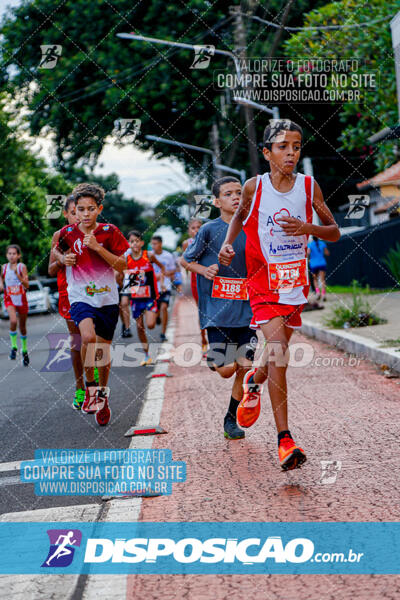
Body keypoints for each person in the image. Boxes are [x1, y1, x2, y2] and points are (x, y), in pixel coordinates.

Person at [219, 119, 340, 470]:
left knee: (273, 355)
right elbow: (239, 218)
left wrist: (308, 228)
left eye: (297, 146)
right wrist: (228, 246)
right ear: (266, 151)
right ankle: (285, 440)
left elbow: (333, 232)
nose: (291, 153)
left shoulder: (308, 186)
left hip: (294, 285)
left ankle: (254, 380)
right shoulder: (254, 187)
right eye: (283, 146)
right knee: (280, 354)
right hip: (262, 282)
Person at [181, 176, 256, 440]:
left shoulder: (252, 226)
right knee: (226, 371)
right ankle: (216, 360)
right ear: (216, 201)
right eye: (228, 194)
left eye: (239, 193)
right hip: (217, 311)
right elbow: (186, 259)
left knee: (246, 366)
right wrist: (205, 270)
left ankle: (231, 418)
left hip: (249, 309)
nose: (235, 197)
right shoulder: (209, 230)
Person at [52, 183, 129, 426]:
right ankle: (90, 386)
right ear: (75, 210)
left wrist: (98, 248)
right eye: (81, 209)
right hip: (80, 296)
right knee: (86, 338)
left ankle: (102, 396)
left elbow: (123, 265)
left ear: (99, 209)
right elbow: (56, 253)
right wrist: (64, 258)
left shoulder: (110, 232)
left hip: (107, 298)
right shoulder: (67, 233)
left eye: (90, 209)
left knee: (103, 351)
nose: (85, 214)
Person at [48, 195, 100, 410]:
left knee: (94, 337)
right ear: (67, 214)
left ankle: (95, 380)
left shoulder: (95, 233)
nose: (78, 217)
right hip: (68, 292)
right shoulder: (60, 235)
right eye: (73, 213)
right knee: (78, 340)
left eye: (81, 212)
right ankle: (81, 389)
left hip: (94, 290)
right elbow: (50, 269)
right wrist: (62, 259)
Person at [123, 230, 165, 366]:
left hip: (150, 297)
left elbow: (162, 267)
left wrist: (162, 282)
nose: (134, 243)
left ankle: (156, 314)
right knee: (140, 327)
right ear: (128, 244)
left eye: (137, 241)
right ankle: (146, 354)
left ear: (142, 243)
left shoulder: (149, 256)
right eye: (131, 241)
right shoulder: (127, 259)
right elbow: (121, 275)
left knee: (151, 325)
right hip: (136, 297)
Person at [0, 245, 30, 365]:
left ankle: (24, 350)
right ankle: (14, 347)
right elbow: (1, 278)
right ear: (6, 255)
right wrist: (1, 284)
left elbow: (27, 285)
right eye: (9, 254)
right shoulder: (4, 267)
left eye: (14, 254)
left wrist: (18, 276)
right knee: (13, 321)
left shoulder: (22, 267)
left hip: (21, 299)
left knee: (22, 327)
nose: (11, 256)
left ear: (19, 256)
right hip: (9, 298)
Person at [182, 218, 207, 353]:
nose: (196, 230)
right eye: (193, 228)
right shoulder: (187, 244)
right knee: (201, 310)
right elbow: (186, 264)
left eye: (199, 227)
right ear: (189, 230)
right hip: (196, 279)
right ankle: (204, 340)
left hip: (210, 278)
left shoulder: (210, 240)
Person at [151, 235, 176, 342]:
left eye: (155, 244)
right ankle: (157, 317)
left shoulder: (168, 256)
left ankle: (163, 333)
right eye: (152, 244)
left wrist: (166, 273)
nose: (153, 246)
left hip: (165, 286)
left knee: (164, 308)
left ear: (160, 244)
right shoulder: (150, 256)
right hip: (153, 288)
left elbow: (173, 270)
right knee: (156, 310)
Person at [307, 236, 329, 301]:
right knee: (322, 279)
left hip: (313, 264)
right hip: (322, 263)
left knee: (315, 279)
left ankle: (318, 293)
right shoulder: (322, 243)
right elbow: (327, 253)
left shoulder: (310, 244)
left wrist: (308, 259)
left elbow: (308, 253)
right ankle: (323, 294)